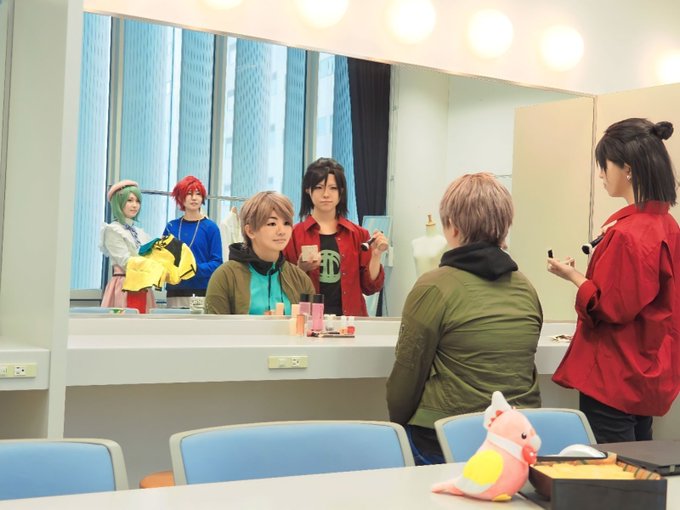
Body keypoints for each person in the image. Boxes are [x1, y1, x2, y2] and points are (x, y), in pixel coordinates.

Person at [386, 172, 542, 465]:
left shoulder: (433, 286)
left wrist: (397, 425)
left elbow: (405, 383)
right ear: (504, 226)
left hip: (445, 441)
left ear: (453, 227)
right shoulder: (526, 288)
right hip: (516, 444)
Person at [547, 118, 680, 443]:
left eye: (604, 165)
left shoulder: (627, 234)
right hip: (646, 371)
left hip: (614, 374)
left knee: (613, 469)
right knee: (640, 465)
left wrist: (574, 276)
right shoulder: (667, 225)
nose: (601, 175)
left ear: (628, 169)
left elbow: (610, 308)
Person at [283, 157, 388, 316]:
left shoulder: (358, 234)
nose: (326, 194)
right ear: (308, 190)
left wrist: (376, 255)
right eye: (319, 187)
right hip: (307, 320)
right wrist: (301, 270)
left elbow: (370, 287)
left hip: (350, 321)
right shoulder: (293, 235)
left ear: (341, 191)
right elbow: (284, 287)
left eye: (333, 188)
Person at [204, 191, 315, 315]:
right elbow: (215, 326)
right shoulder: (225, 276)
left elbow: (310, 325)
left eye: (286, 223)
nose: (282, 231)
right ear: (250, 231)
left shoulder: (300, 279)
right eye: (272, 223)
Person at [163, 176, 222, 308]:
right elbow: (163, 259)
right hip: (175, 291)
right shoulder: (171, 227)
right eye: (189, 193)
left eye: (198, 194)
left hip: (202, 291)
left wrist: (193, 269)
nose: (194, 198)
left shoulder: (211, 227)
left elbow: (217, 263)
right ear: (180, 197)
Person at [100, 179, 156, 310]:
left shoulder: (140, 232)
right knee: (126, 321)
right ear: (118, 202)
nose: (134, 205)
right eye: (129, 200)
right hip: (124, 286)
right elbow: (125, 261)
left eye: (137, 201)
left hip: (143, 286)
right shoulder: (113, 230)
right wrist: (152, 266)